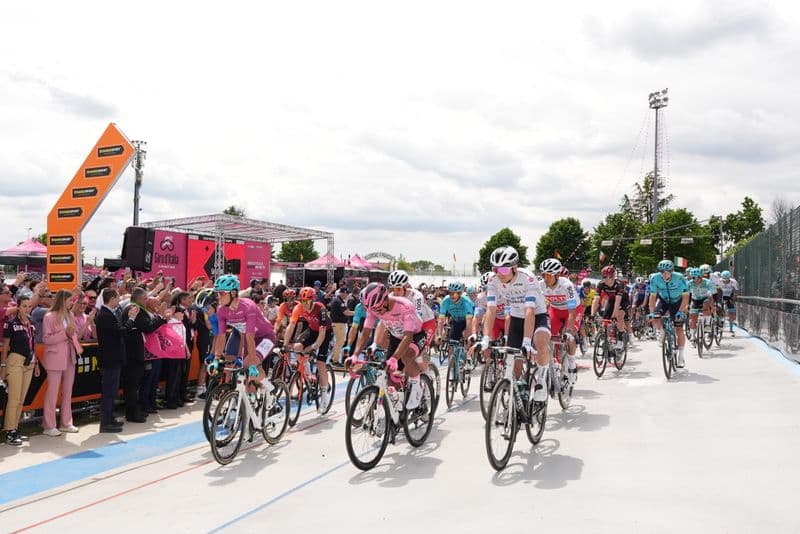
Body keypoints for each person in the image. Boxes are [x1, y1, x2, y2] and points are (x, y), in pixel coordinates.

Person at [472, 246, 551, 404]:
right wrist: (486, 338)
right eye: (495, 269)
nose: (499, 273)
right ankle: (517, 395)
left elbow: (529, 310)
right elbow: (491, 309)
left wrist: (527, 342)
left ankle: (541, 380)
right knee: (514, 361)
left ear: (514, 267)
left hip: (537, 315)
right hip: (516, 316)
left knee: (540, 342)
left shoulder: (527, 278)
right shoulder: (493, 280)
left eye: (503, 269)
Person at [351, 283, 428, 409]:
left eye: (379, 309)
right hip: (396, 336)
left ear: (386, 298)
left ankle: (416, 386)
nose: (376, 312)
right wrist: (355, 355)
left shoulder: (405, 306)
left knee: (406, 357)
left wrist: (394, 358)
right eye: (373, 310)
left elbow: (408, 337)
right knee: (389, 372)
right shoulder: (373, 308)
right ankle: (398, 402)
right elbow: (365, 334)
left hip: (415, 335)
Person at [211, 275, 277, 398]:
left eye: (221, 293)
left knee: (248, 364)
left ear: (233, 293)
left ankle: (270, 390)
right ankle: (251, 405)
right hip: (248, 339)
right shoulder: (221, 310)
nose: (218, 297)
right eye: (217, 293)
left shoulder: (248, 306)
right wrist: (216, 358)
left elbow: (250, 337)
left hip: (265, 337)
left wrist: (251, 363)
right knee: (248, 377)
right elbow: (221, 336)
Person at [95, 289, 139, 433]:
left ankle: (110, 418)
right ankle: (105, 422)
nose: (119, 300)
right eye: (117, 298)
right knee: (108, 391)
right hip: (109, 359)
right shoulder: (104, 315)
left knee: (112, 391)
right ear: (112, 298)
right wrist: (131, 319)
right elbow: (119, 331)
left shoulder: (108, 314)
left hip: (113, 358)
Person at [282, 286, 333, 412]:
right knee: (297, 347)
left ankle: (324, 396)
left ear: (313, 300)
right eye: (303, 301)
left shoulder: (320, 309)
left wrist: (312, 348)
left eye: (308, 302)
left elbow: (321, 336)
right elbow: (291, 326)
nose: (305, 304)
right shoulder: (298, 307)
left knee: (321, 364)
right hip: (312, 330)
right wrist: (285, 343)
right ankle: (308, 373)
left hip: (325, 333)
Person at [41, 290, 83, 436]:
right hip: (54, 357)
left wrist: (77, 347)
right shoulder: (49, 316)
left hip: (69, 356)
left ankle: (66, 423)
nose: (72, 302)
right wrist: (64, 334)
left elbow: (74, 335)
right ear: (63, 300)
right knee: (52, 392)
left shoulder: (70, 315)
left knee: (67, 392)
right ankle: (49, 425)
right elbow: (47, 339)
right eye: (70, 300)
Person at [122, 288, 167, 422]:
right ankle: (132, 413)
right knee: (132, 384)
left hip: (134, 351)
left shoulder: (134, 308)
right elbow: (147, 328)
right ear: (139, 299)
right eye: (145, 299)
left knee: (134, 384)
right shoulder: (135, 309)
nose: (146, 301)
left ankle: (134, 411)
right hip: (133, 353)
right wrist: (160, 317)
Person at [1, 295, 38, 445]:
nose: (27, 309)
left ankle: (15, 428)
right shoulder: (11, 324)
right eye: (24, 306)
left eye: (29, 306)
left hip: (30, 362)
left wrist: (37, 365)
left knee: (21, 399)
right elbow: (5, 348)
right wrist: (3, 368)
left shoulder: (31, 323)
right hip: (15, 361)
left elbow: (33, 345)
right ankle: (9, 431)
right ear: (18, 306)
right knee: (14, 398)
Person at [539, 258, 579, 385]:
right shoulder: (540, 285)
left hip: (572, 311)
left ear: (557, 275)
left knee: (570, 338)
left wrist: (568, 331)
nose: (546, 278)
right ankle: (554, 360)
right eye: (543, 274)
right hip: (555, 310)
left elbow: (572, 311)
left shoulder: (567, 286)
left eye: (549, 275)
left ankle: (572, 365)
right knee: (547, 335)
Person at [648, 260, 690, 367]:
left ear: (672, 271)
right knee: (656, 317)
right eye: (662, 272)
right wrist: (652, 312)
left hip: (678, 301)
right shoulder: (655, 278)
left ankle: (681, 356)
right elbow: (652, 297)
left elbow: (686, 298)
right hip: (664, 300)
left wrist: (681, 311)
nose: (664, 274)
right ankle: (662, 332)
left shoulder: (680, 278)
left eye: (667, 272)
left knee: (679, 328)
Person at [437, 281, 475, 365]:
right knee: (451, 345)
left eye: (454, 294)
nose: (451, 296)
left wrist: (468, 337)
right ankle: (452, 366)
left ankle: (468, 357)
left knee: (466, 336)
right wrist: (439, 334)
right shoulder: (446, 301)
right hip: (456, 321)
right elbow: (441, 319)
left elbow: (469, 322)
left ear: (460, 293)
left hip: (467, 320)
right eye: (449, 293)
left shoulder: (466, 302)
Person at [592, 265, 628, 351]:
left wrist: (614, 316)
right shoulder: (601, 284)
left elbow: (618, 302)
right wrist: (592, 314)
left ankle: (620, 338)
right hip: (611, 301)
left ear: (613, 277)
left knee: (619, 316)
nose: (607, 279)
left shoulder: (619, 284)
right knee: (605, 321)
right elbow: (596, 299)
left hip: (623, 301)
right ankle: (608, 339)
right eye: (604, 277)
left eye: (610, 277)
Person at [329, 288, 353, 368]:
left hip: (338, 324)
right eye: (346, 293)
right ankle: (335, 360)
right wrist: (357, 313)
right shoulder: (338, 301)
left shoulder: (339, 300)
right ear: (343, 293)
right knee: (340, 342)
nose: (347, 295)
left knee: (339, 342)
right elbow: (346, 312)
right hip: (339, 324)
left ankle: (333, 358)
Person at [720, 270, 739, 335]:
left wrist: (733, 299)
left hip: (729, 296)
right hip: (721, 295)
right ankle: (718, 323)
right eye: (724, 279)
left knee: (731, 313)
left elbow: (736, 291)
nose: (725, 281)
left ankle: (731, 329)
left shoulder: (733, 281)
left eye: (727, 279)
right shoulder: (719, 281)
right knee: (718, 309)